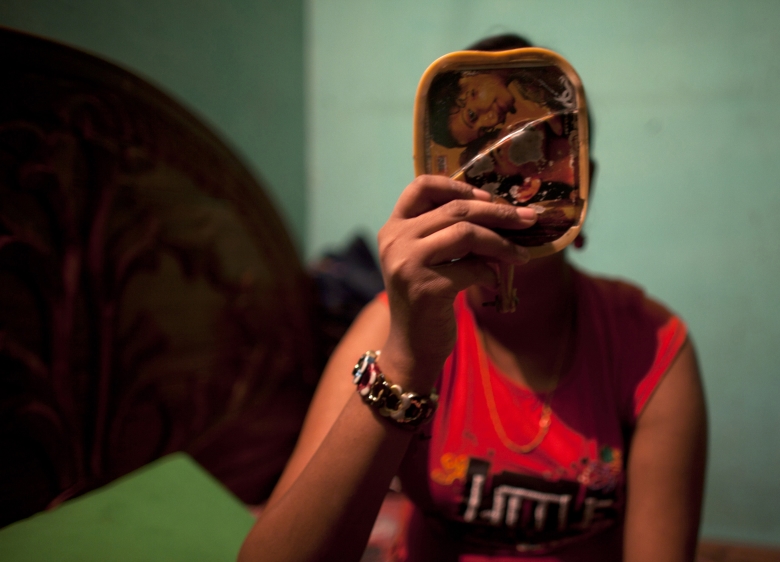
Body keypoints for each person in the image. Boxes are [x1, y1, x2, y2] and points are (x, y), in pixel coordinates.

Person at [239, 34, 707, 562]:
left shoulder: (650, 346)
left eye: (533, 149)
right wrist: (407, 361)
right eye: (480, 159)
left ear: (584, 185)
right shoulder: (393, 328)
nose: (506, 181)